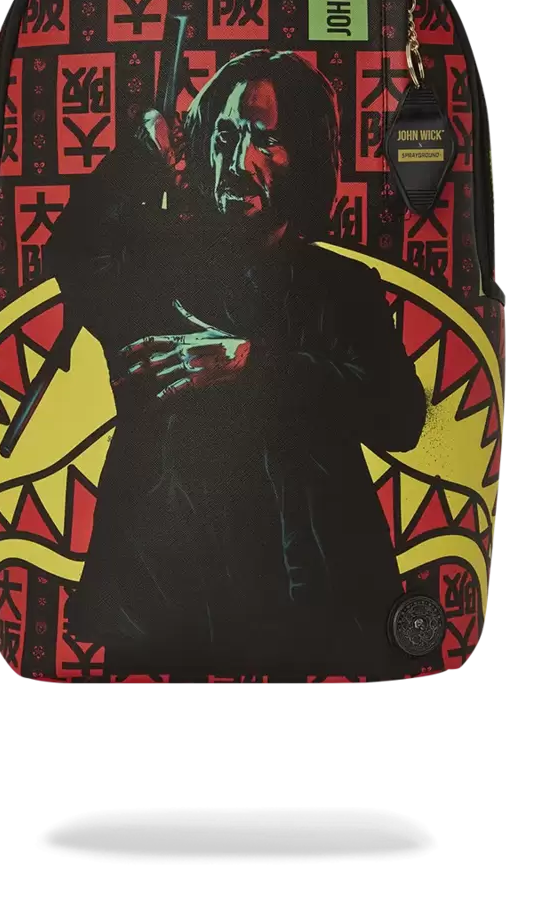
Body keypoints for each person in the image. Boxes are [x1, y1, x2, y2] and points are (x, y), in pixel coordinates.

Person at [48, 49, 427, 675]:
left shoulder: (343, 285)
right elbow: (74, 252)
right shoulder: (150, 269)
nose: (240, 160)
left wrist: (253, 364)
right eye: (224, 136)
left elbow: (400, 418)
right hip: (170, 608)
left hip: (313, 600)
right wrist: (139, 157)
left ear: (306, 154)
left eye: (267, 140)